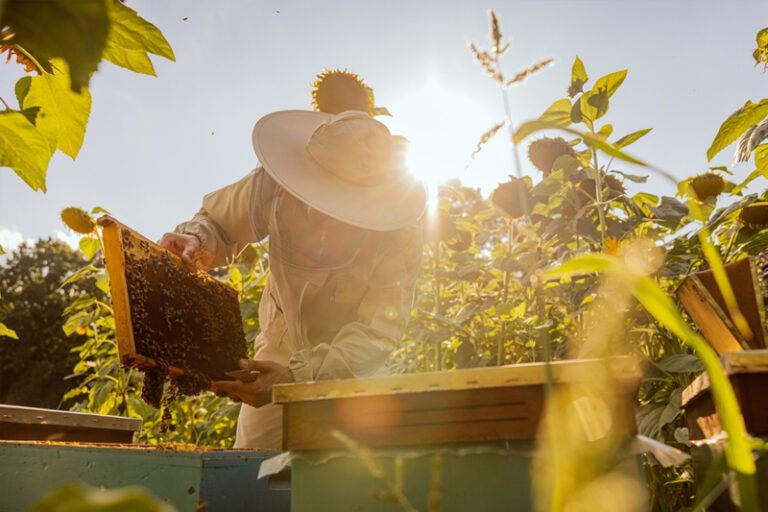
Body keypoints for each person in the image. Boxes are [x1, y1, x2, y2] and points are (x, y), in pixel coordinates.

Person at [159, 109, 426, 450]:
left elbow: (376, 332)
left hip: (353, 368)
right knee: (251, 474)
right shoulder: (272, 185)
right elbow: (219, 220)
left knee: (356, 481)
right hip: (277, 350)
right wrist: (196, 240)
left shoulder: (398, 233)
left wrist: (299, 377)